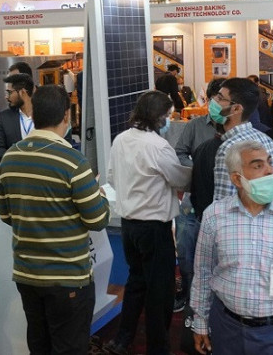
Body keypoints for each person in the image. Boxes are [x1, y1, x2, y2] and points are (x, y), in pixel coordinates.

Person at [0, 85, 109, 355]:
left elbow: (6, 215)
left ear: (34, 114)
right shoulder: (74, 162)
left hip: (27, 275)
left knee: (39, 344)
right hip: (68, 278)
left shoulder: (10, 157)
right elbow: (97, 220)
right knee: (70, 347)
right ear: (66, 116)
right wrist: (100, 195)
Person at [191, 140, 273, 355]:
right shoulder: (214, 216)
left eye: (269, 163)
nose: (270, 170)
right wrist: (201, 321)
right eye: (258, 165)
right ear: (237, 179)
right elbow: (203, 273)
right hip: (225, 327)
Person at [104, 90, 191, 355]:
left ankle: (122, 340)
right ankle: (158, 347)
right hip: (154, 227)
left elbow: (111, 176)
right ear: (158, 116)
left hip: (129, 225)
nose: (169, 121)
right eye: (168, 115)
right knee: (160, 291)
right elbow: (179, 180)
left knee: (136, 282)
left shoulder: (121, 139)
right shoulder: (158, 146)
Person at [173, 77, 224, 312]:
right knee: (185, 249)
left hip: (221, 201)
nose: (220, 104)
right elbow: (179, 152)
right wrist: (196, 168)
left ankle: (215, 298)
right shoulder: (195, 126)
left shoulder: (237, 131)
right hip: (193, 198)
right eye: (217, 99)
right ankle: (187, 290)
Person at [212, 78, 273, 203]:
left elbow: (224, 201)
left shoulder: (228, 148)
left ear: (236, 109)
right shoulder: (267, 140)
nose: (214, 101)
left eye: (220, 98)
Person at [0, 73, 73, 162]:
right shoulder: (5, 117)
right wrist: (21, 160)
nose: (6, 97)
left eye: (10, 92)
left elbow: (65, 145)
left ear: (22, 92)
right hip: (17, 168)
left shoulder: (48, 113)